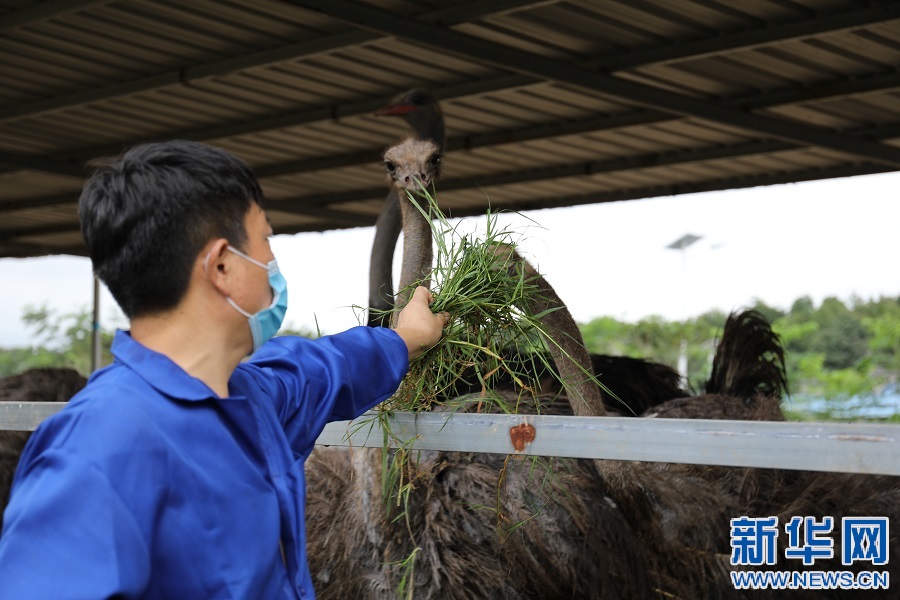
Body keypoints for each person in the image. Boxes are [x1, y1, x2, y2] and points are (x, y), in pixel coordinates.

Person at [0, 140, 448, 599]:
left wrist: (403, 338)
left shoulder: (250, 398)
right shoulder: (98, 448)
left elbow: (325, 368)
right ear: (222, 266)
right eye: (265, 241)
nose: (272, 262)